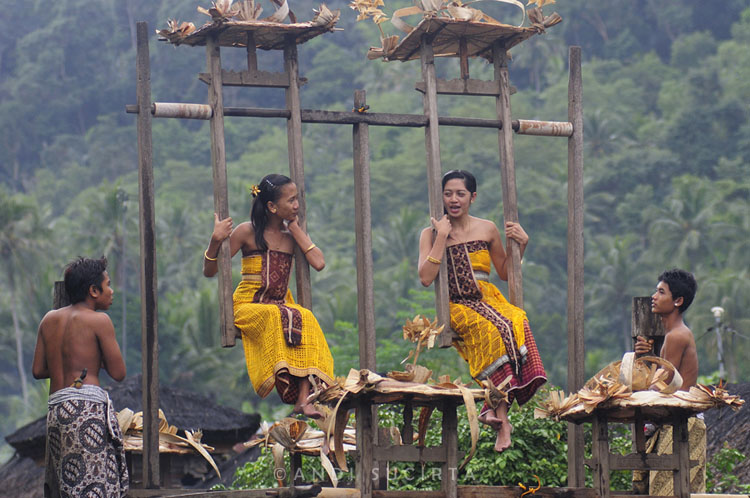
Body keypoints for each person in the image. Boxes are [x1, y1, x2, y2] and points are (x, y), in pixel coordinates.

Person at [418, 170, 547, 452]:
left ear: (472, 197)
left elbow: (504, 271)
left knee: (516, 319)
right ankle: (500, 417)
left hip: (488, 298)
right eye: (448, 193)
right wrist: (441, 237)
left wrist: (521, 245)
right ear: (441, 196)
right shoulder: (429, 233)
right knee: (489, 329)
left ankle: (497, 413)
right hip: (456, 306)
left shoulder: (487, 229)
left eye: (460, 194)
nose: (453, 199)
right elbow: (426, 277)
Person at [204, 174, 333, 418]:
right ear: (272, 207)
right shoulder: (246, 232)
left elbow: (319, 262)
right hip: (248, 305)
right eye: (291, 200)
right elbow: (210, 271)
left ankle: (304, 399)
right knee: (279, 315)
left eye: (297, 200)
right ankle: (283, 378)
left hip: (281, 306)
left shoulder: (290, 237)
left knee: (306, 318)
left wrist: (294, 228)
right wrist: (215, 240)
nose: (297, 205)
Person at [32, 256, 128, 498]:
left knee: (71, 483)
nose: (112, 291)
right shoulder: (99, 321)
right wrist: (94, 362)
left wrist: (65, 365)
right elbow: (118, 373)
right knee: (95, 485)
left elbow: (38, 371)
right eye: (108, 285)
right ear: (93, 291)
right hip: (86, 409)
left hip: (57, 410)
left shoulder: (48, 320)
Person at [633, 268, 704, 495]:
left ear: (678, 301)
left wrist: (641, 368)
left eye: (661, 292)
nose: (654, 296)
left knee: (669, 490)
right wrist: (646, 356)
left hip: (683, 422)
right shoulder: (670, 335)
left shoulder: (677, 336)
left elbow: (661, 385)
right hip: (671, 421)